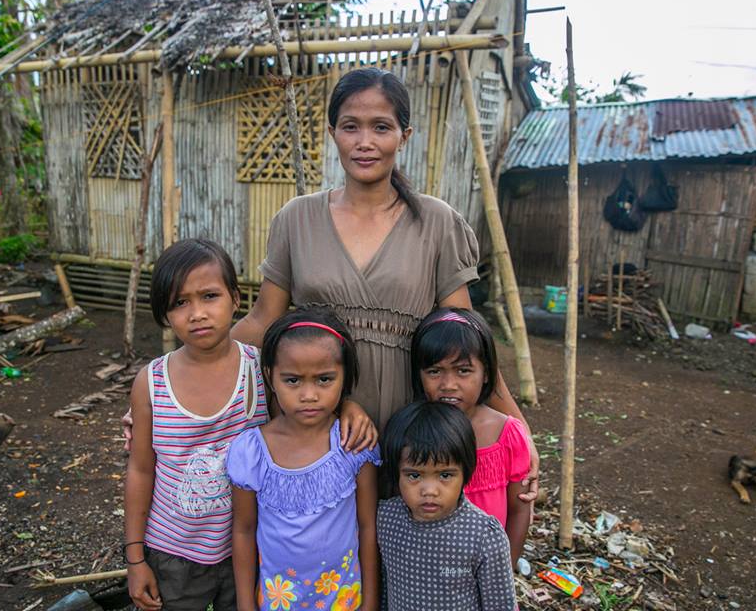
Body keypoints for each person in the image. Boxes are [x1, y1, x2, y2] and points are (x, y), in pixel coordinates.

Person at [231, 67, 538, 498]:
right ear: (333, 131)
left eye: (381, 127)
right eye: (351, 127)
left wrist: (519, 428)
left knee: (404, 544)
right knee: (328, 551)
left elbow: (466, 338)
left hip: (412, 427)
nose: (365, 142)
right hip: (320, 420)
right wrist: (176, 380)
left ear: (404, 135)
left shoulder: (436, 222)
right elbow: (262, 321)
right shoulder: (296, 219)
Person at [124, 238, 269, 611]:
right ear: (164, 313)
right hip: (173, 552)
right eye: (180, 303)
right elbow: (141, 470)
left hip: (251, 546)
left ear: (236, 299)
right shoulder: (151, 382)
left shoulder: (263, 371)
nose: (197, 313)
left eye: (209, 296)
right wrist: (135, 559)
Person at [227, 308, 379, 611]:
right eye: (293, 381)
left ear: (344, 377)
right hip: (278, 601)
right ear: (270, 376)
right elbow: (243, 530)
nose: (309, 395)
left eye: (324, 379)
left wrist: (371, 602)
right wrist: (245, 604)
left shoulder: (354, 444)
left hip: (345, 601)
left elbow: (367, 526)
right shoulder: (251, 452)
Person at [411, 307, 532, 568]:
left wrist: (503, 571)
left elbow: (520, 509)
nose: (448, 384)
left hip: (486, 570)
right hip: (428, 573)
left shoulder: (506, 434)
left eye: (463, 371)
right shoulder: (412, 430)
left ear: (487, 373)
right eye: (434, 371)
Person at [378, 401, 518, 611]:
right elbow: (385, 589)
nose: (430, 491)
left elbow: (500, 605)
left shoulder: (483, 535)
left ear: (466, 472)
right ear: (396, 473)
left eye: (445, 475)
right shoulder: (386, 519)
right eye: (414, 475)